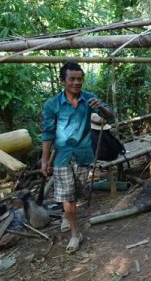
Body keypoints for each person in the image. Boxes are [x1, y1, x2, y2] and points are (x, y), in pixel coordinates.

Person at [41, 61, 112, 254]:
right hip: (62, 157)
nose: (76, 83)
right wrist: (44, 160)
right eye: (72, 79)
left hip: (83, 154)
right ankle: (75, 234)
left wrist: (101, 109)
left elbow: (110, 116)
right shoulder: (52, 105)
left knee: (77, 193)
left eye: (79, 79)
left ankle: (67, 216)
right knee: (68, 197)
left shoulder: (89, 99)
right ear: (63, 80)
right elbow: (47, 134)